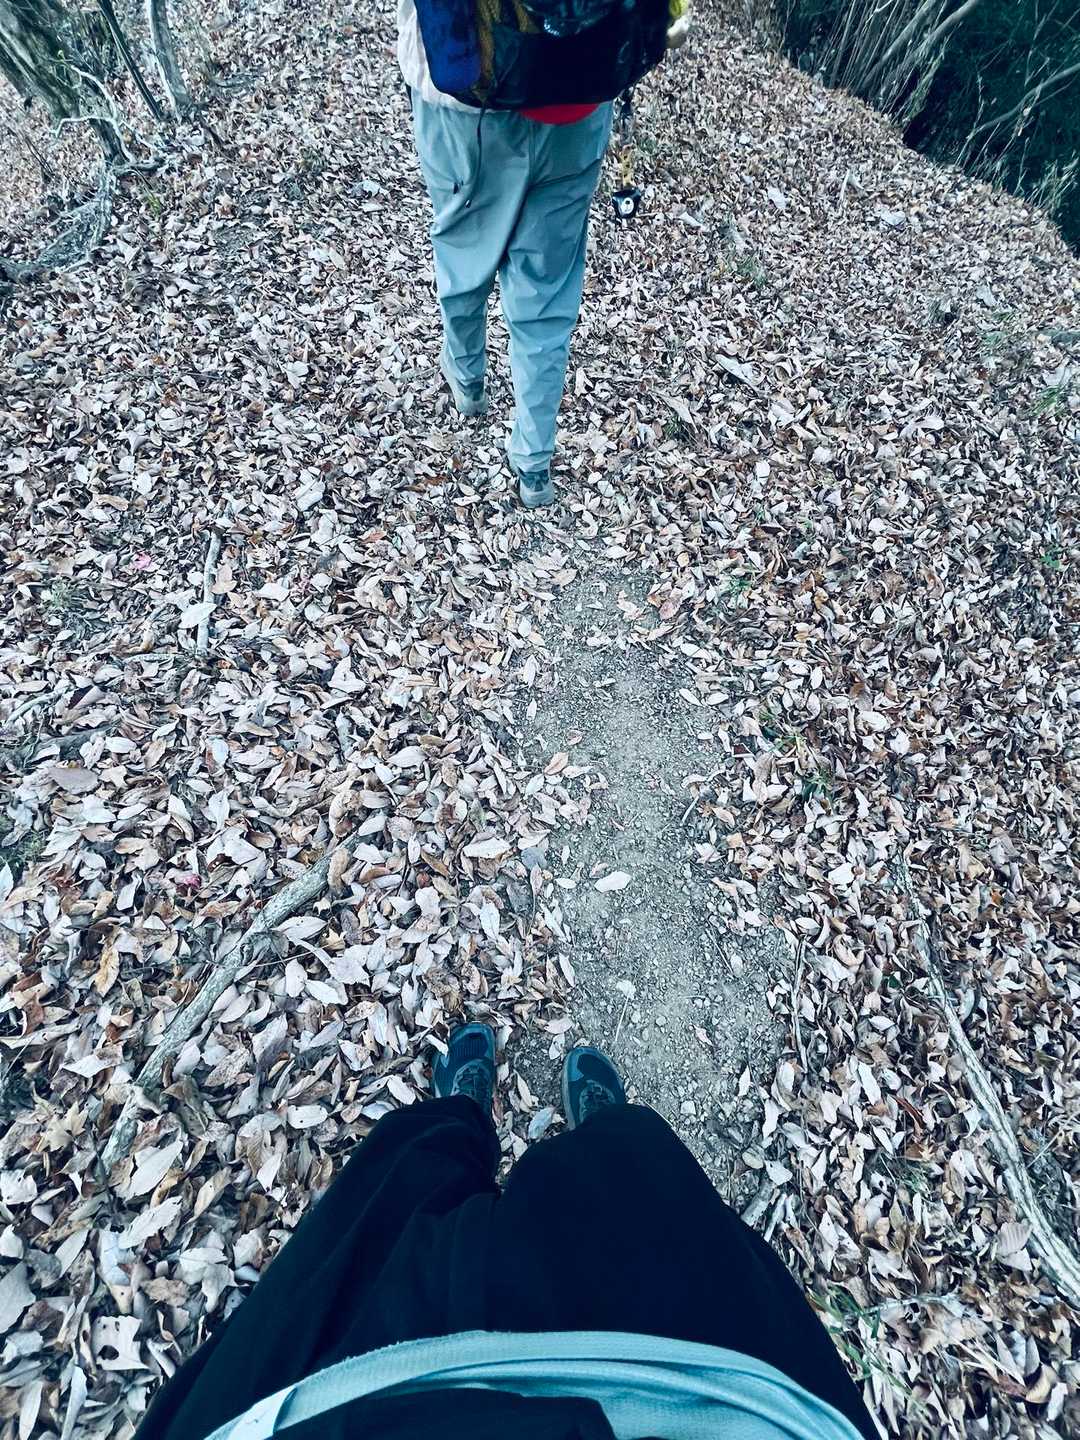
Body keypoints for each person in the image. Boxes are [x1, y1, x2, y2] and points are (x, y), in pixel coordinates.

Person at [135, 1023, 879, 1440]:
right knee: (647, 1191)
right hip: (707, 1381)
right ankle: (603, 1140)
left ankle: (461, 1116)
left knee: (395, 1190)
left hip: (344, 1390)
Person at [398, 0, 686, 510]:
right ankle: (533, 462)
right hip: (581, 89)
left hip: (468, 100)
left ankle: (467, 381)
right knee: (547, 290)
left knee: (463, 248)